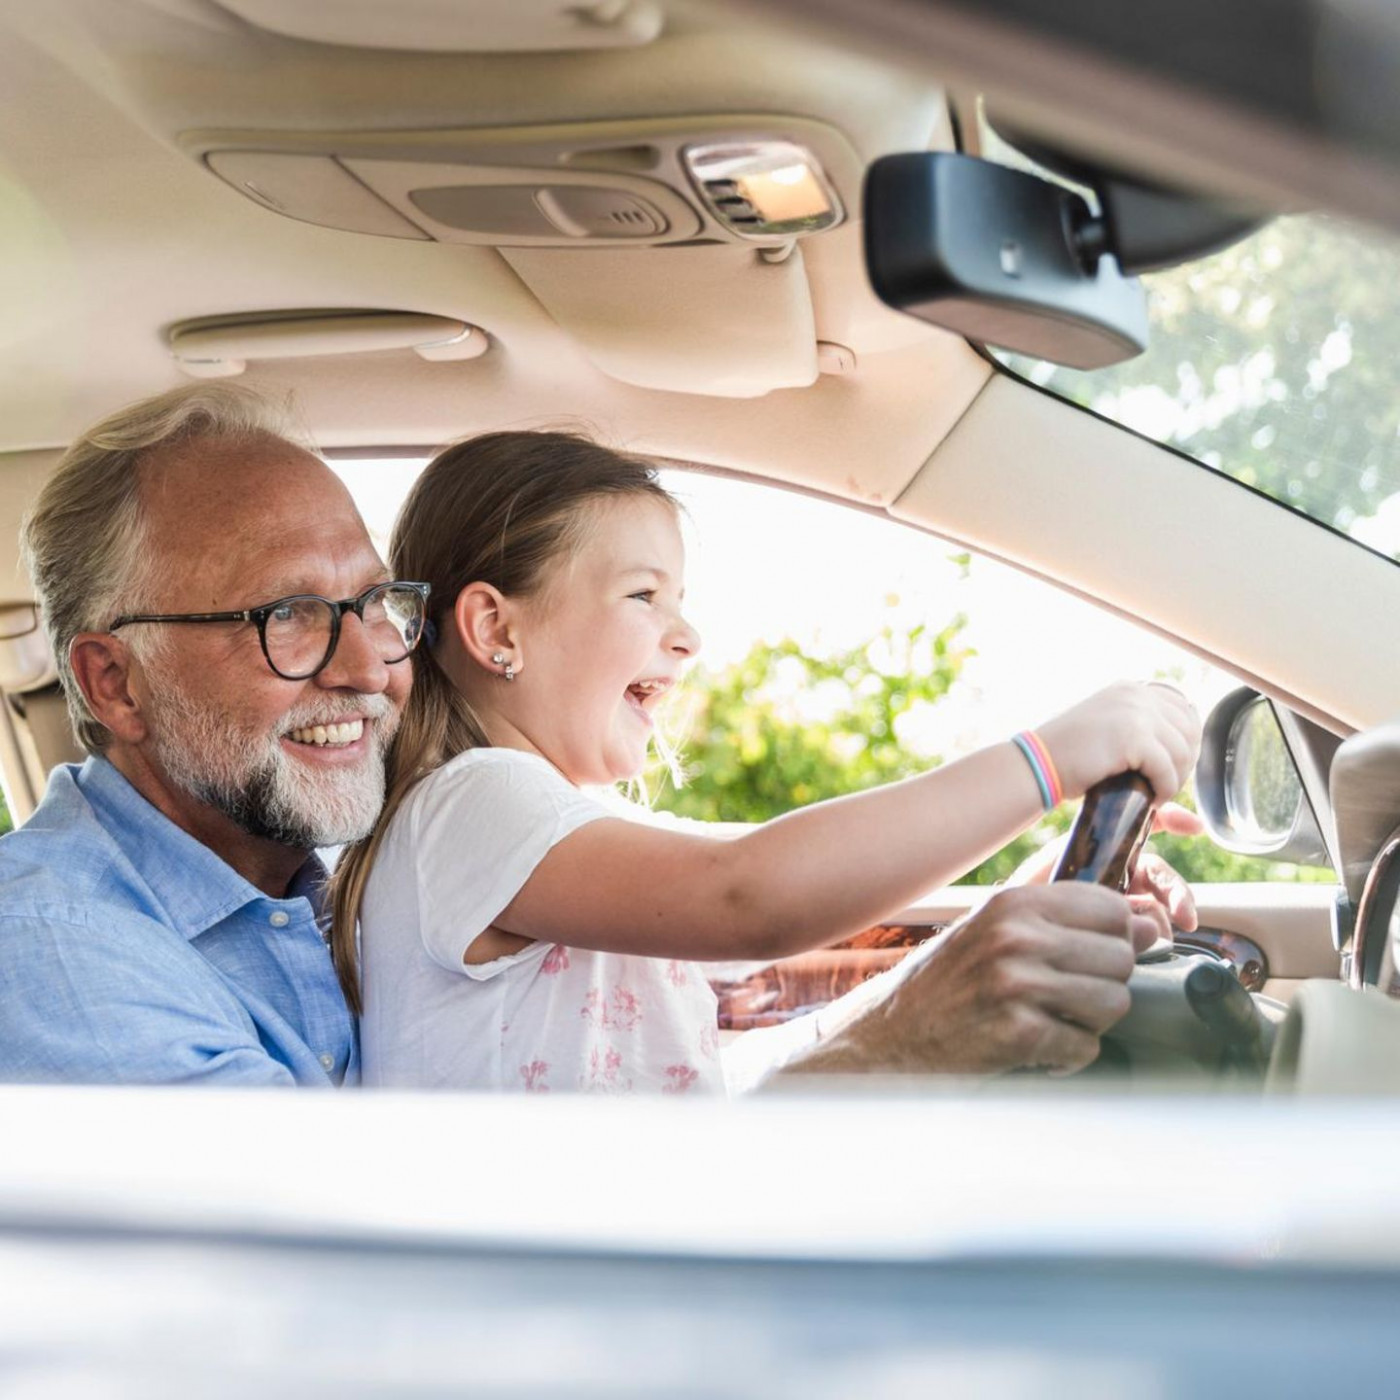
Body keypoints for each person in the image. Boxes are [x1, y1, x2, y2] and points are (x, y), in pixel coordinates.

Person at [334, 430, 1202, 1095]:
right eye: (644, 595)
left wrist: (1028, 892)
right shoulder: (473, 804)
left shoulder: (566, 832)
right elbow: (755, 891)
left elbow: (801, 900)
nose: (687, 636)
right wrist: (1049, 763)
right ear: (496, 630)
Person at [0, 383, 425, 1084]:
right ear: (114, 682)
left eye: (375, 602)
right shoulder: (45, 949)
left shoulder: (343, 898)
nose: (369, 670)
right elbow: (331, 1199)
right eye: (288, 613)